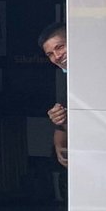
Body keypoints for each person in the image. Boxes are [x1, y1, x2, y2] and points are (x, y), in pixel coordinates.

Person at [39, 21, 67, 169]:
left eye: (60, 47)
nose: (56, 57)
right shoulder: (62, 75)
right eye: (50, 54)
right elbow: (62, 118)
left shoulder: (103, 66)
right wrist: (58, 117)